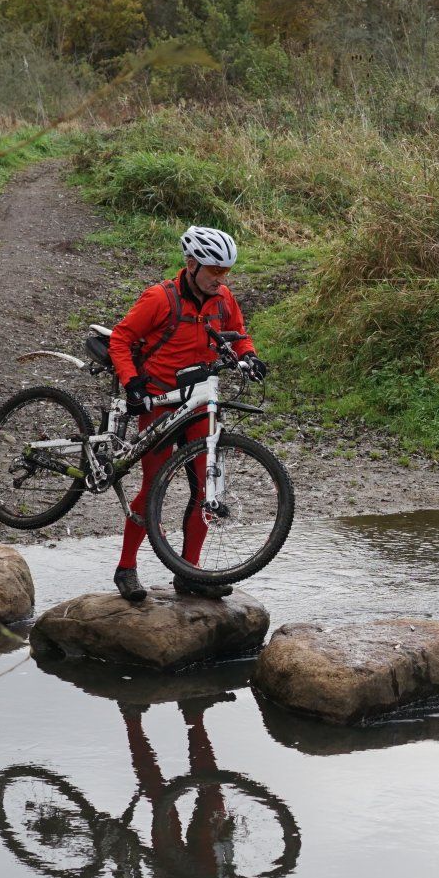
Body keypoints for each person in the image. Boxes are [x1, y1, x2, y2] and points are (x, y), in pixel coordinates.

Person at [108, 225, 267, 602]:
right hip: (160, 403)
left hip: (200, 405)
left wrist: (249, 356)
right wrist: (131, 383)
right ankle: (126, 568)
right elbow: (121, 339)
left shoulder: (224, 298)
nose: (220, 278)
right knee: (151, 489)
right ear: (192, 264)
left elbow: (238, 333)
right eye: (214, 270)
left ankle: (190, 573)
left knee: (206, 489)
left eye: (226, 271)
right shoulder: (159, 299)